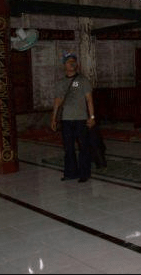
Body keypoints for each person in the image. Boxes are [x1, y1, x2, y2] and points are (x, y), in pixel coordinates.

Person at [51, 51, 96, 183]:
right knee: (68, 148)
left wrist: (92, 117)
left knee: (83, 147)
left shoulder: (83, 80)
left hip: (81, 119)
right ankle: (71, 173)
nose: (72, 64)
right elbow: (58, 100)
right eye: (69, 62)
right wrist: (53, 118)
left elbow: (89, 100)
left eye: (73, 61)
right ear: (64, 65)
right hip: (66, 119)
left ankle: (84, 173)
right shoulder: (61, 83)